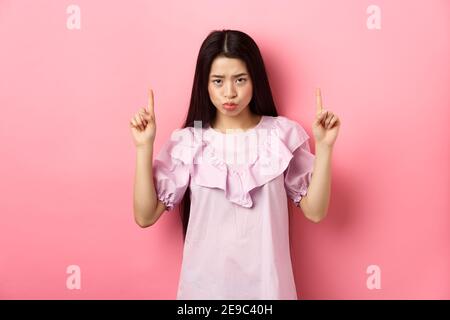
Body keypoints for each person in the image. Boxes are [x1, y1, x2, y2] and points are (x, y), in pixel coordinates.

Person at [130, 29, 341, 300]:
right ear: (204, 84)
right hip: (203, 293)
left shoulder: (281, 134)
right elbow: (145, 216)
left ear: (255, 80)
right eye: (218, 81)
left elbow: (315, 211)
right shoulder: (190, 140)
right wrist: (143, 146)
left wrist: (324, 147)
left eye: (240, 80)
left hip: (269, 290)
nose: (229, 93)